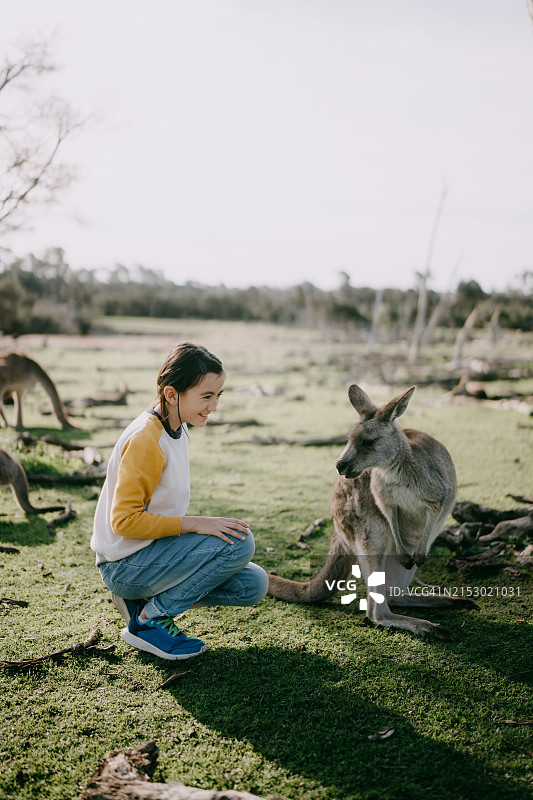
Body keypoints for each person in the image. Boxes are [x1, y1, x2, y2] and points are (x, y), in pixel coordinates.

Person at [91, 342, 268, 660]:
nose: (214, 407)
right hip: (124, 565)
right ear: (172, 395)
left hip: (150, 552)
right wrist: (198, 525)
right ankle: (148, 620)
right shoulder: (147, 439)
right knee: (240, 544)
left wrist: (197, 530)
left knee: (254, 584)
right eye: (206, 397)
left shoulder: (176, 424)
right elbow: (124, 521)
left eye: (218, 396)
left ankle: (146, 605)